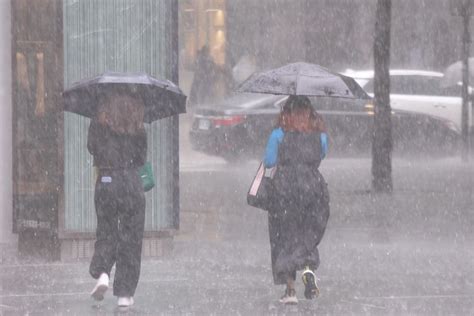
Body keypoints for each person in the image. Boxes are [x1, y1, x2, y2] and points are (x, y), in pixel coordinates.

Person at [263, 95, 330, 305]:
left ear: (287, 113)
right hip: (314, 188)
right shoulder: (319, 134)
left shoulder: (279, 134)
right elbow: (323, 154)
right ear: (309, 112)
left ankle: (290, 290)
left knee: (284, 235)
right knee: (307, 233)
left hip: (285, 189)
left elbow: (269, 161)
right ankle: (308, 270)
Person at [87, 88, 147, 308]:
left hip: (106, 181)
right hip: (131, 183)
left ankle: (103, 273)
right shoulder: (138, 126)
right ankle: (125, 293)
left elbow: (91, 147)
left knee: (106, 231)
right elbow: (142, 157)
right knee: (131, 238)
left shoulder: (99, 120)